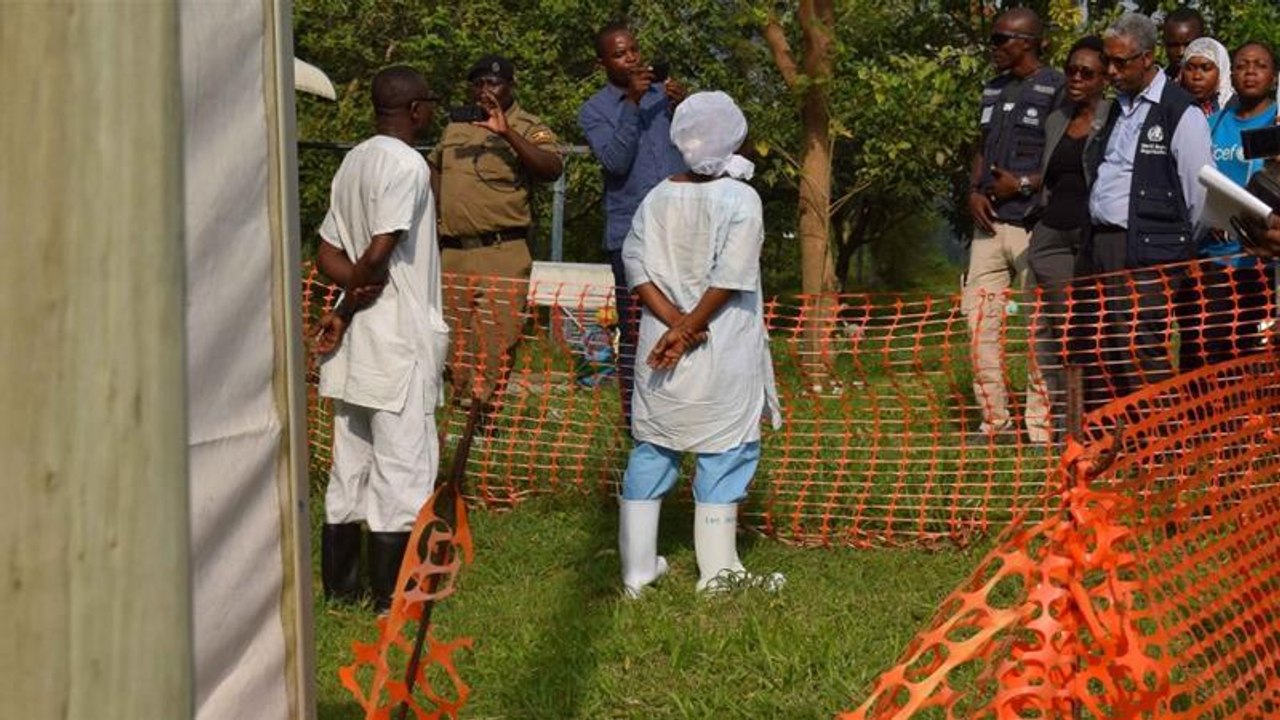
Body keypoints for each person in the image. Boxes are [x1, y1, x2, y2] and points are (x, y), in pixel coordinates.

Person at [616, 91, 782, 597]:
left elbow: (635, 265)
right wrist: (690, 328)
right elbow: (732, 275)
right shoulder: (741, 198)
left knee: (655, 447)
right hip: (720, 345)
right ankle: (717, 575)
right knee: (724, 451)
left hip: (660, 345)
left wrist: (671, 323)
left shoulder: (657, 195)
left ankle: (638, 573)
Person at [312, 66, 450, 612]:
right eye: (431, 105)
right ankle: (394, 597)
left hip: (357, 347)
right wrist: (355, 297)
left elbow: (327, 253)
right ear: (416, 109)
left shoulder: (354, 161)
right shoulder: (407, 164)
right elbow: (380, 249)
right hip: (397, 341)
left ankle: (342, 590)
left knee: (351, 466)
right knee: (404, 469)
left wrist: (346, 304)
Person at [1081, 13, 1214, 404]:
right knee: (1109, 348)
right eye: (1108, 60)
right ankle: (1129, 443)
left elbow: (1200, 194)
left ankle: (1167, 447)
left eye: (1120, 62)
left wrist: (1171, 247)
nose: (1111, 70)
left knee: (1143, 349)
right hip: (1104, 245)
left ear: (1147, 58)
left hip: (1150, 251)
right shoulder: (1115, 108)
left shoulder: (1179, 112)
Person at [429, 54, 563, 434]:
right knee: (454, 344)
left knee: (496, 342)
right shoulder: (456, 126)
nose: (486, 91)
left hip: (502, 251)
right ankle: (457, 422)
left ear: (510, 87)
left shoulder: (525, 125)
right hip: (453, 250)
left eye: (495, 84)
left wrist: (507, 134)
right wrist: (439, 209)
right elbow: (434, 166)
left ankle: (483, 426)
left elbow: (552, 168)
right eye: (479, 84)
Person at [579, 21, 688, 430]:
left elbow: (696, 150)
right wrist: (632, 106)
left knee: (686, 317)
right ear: (603, 63)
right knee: (635, 327)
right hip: (632, 237)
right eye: (620, 54)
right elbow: (614, 162)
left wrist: (684, 106)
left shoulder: (664, 96)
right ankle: (635, 420)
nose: (632, 59)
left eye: (634, 51)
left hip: (681, 230)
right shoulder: (595, 109)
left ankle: (681, 412)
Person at [964, 7, 1061, 444]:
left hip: (1032, 225)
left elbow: (1064, 160)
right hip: (989, 227)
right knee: (978, 324)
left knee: (1039, 328)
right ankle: (994, 424)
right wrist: (974, 189)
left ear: (1028, 41)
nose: (994, 47)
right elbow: (982, 146)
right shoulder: (992, 88)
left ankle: (1040, 428)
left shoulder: (1058, 88)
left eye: (1001, 39)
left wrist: (1022, 185)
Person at [1026, 36, 1110, 441]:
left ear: (1104, 78)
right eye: (1071, 70)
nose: (1075, 78)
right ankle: (1065, 428)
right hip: (1052, 237)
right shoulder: (1057, 118)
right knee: (1061, 333)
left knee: (1094, 331)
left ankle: (1094, 422)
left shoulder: (1114, 117)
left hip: (1093, 238)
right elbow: (1048, 175)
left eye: (1086, 72)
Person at [1179, 42, 1278, 371]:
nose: (1250, 72)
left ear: (1274, 76)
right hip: (1214, 256)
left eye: (1260, 65)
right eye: (1242, 65)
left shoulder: (1277, 122)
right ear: (1230, 75)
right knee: (1206, 352)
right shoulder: (1211, 123)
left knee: (1252, 358)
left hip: (1263, 262)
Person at [1179, 37, 1234, 115]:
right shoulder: (1173, 108)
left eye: (1206, 68)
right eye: (1190, 68)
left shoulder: (1237, 109)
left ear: (1221, 73)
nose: (1197, 76)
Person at [1162, 6, 1205, 80]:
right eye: (1173, 45)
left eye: (1188, 44)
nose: (1181, 52)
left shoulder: (1222, 85)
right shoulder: (1156, 86)